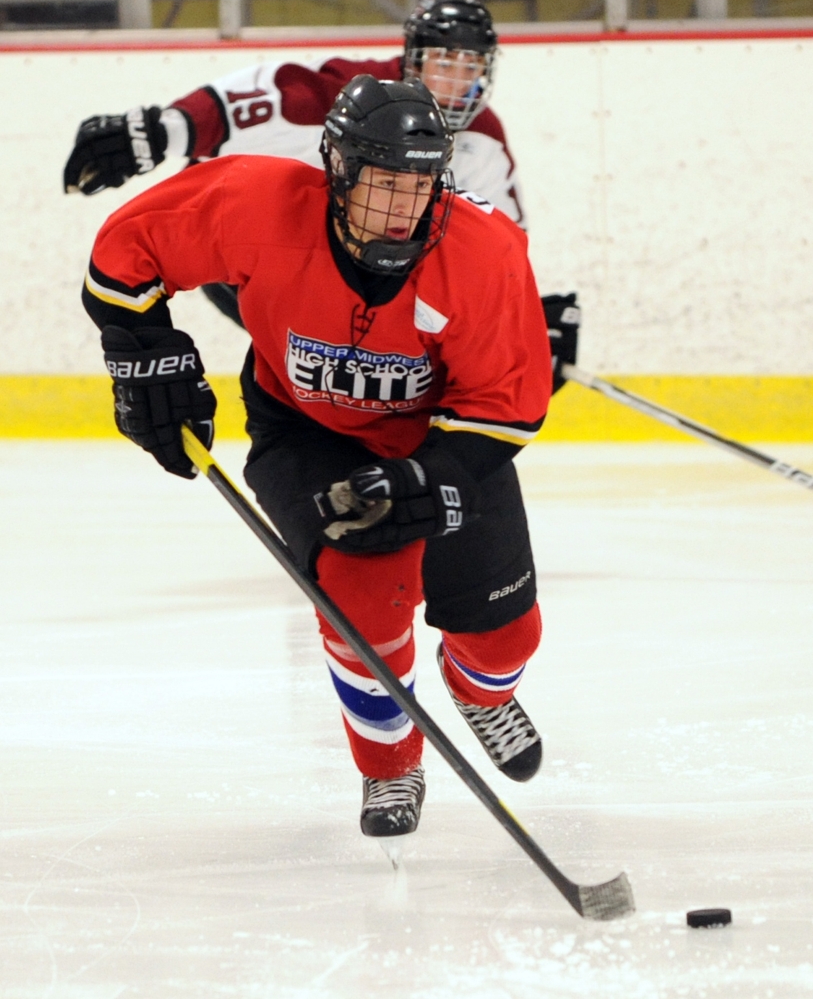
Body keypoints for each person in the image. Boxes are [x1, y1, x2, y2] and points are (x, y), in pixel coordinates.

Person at [82, 74, 551, 840]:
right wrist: (144, 352)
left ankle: (481, 694)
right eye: (383, 185)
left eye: (420, 186)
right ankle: (390, 767)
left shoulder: (481, 254)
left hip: (438, 440)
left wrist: (432, 477)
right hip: (304, 431)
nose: (404, 209)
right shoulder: (255, 203)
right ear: (337, 169)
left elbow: (507, 406)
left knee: (504, 636)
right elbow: (123, 255)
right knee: (363, 600)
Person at [63, 0, 580, 391]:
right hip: (267, 257)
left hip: (366, 271)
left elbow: (497, 248)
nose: (456, 83)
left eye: (471, 68)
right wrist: (162, 129)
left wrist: (528, 319)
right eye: (445, 62)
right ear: (412, 58)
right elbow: (261, 94)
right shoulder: (358, 97)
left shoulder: (483, 137)